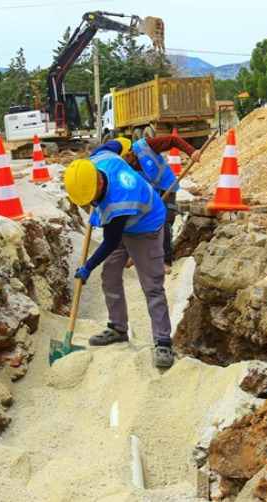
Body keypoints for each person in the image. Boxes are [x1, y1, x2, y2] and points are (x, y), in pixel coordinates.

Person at [63, 147, 175, 369]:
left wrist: (88, 266)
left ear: (100, 184)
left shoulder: (119, 202)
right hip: (122, 225)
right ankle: (118, 328)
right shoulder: (99, 159)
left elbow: (111, 241)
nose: (89, 205)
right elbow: (113, 146)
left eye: (90, 200)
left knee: (152, 285)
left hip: (146, 227)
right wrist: (123, 144)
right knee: (110, 276)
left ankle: (163, 342)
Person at [97, 135, 201, 274]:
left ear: (129, 152)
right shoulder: (122, 167)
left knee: (165, 221)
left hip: (168, 186)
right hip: (150, 194)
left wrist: (191, 151)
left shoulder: (147, 145)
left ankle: (165, 261)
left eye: (123, 159)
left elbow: (173, 140)